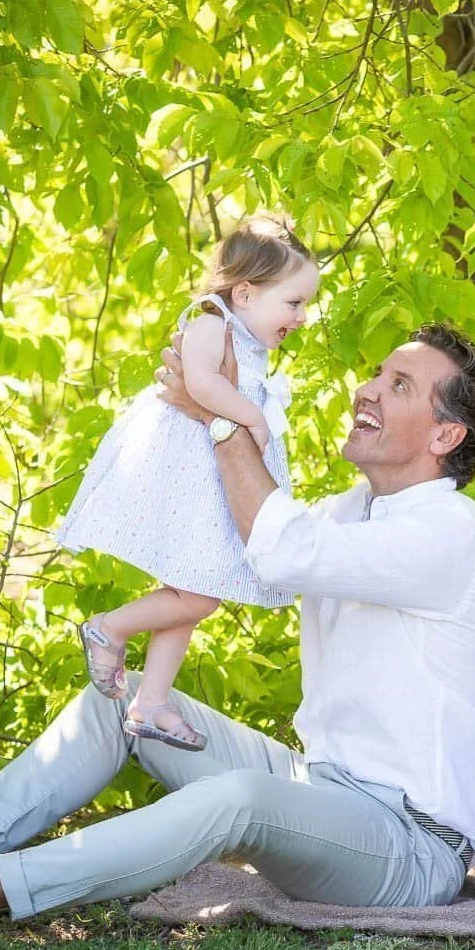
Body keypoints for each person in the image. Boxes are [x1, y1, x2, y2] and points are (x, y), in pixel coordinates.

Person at [0, 323, 475, 950]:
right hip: (324, 791)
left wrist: (220, 414)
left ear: (444, 434)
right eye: (377, 373)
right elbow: (244, 556)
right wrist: (198, 407)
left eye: (398, 385)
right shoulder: (352, 510)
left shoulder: (450, 531)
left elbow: (281, 550)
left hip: (411, 844)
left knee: (238, 798)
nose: (366, 390)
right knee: (130, 701)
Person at [57, 215, 318, 752]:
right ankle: (111, 627)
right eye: (294, 303)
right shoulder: (211, 320)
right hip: (186, 474)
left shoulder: (244, 335)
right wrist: (253, 416)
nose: (303, 317)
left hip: (215, 476)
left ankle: (151, 700)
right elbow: (196, 382)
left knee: (198, 588)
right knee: (199, 595)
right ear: (244, 292)